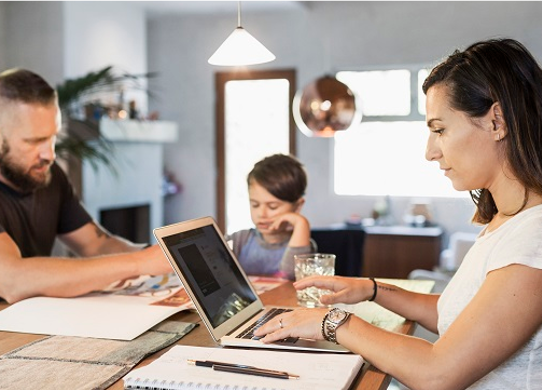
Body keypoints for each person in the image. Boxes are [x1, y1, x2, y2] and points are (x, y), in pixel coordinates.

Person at [255, 38, 543, 390]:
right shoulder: (508, 221)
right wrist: (371, 289)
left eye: (439, 129)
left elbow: (438, 372)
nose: (430, 152)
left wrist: (332, 322)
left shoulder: (534, 235)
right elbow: (453, 313)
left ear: (496, 121)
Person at [0, 68, 173, 319]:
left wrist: (164, 258)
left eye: (52, 138)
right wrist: (141, 264)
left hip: (28, 322)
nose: (49, 154)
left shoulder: (45, 175)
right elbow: (12, 279)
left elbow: (97, 244)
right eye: (34, 141)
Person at [226, 154, 316, 280]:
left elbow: (288, 276)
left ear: (297, 206)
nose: (261, 214)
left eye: (272, 206)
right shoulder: (240, 240)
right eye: (255, 205)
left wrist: (301, 223)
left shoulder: (303, 245)